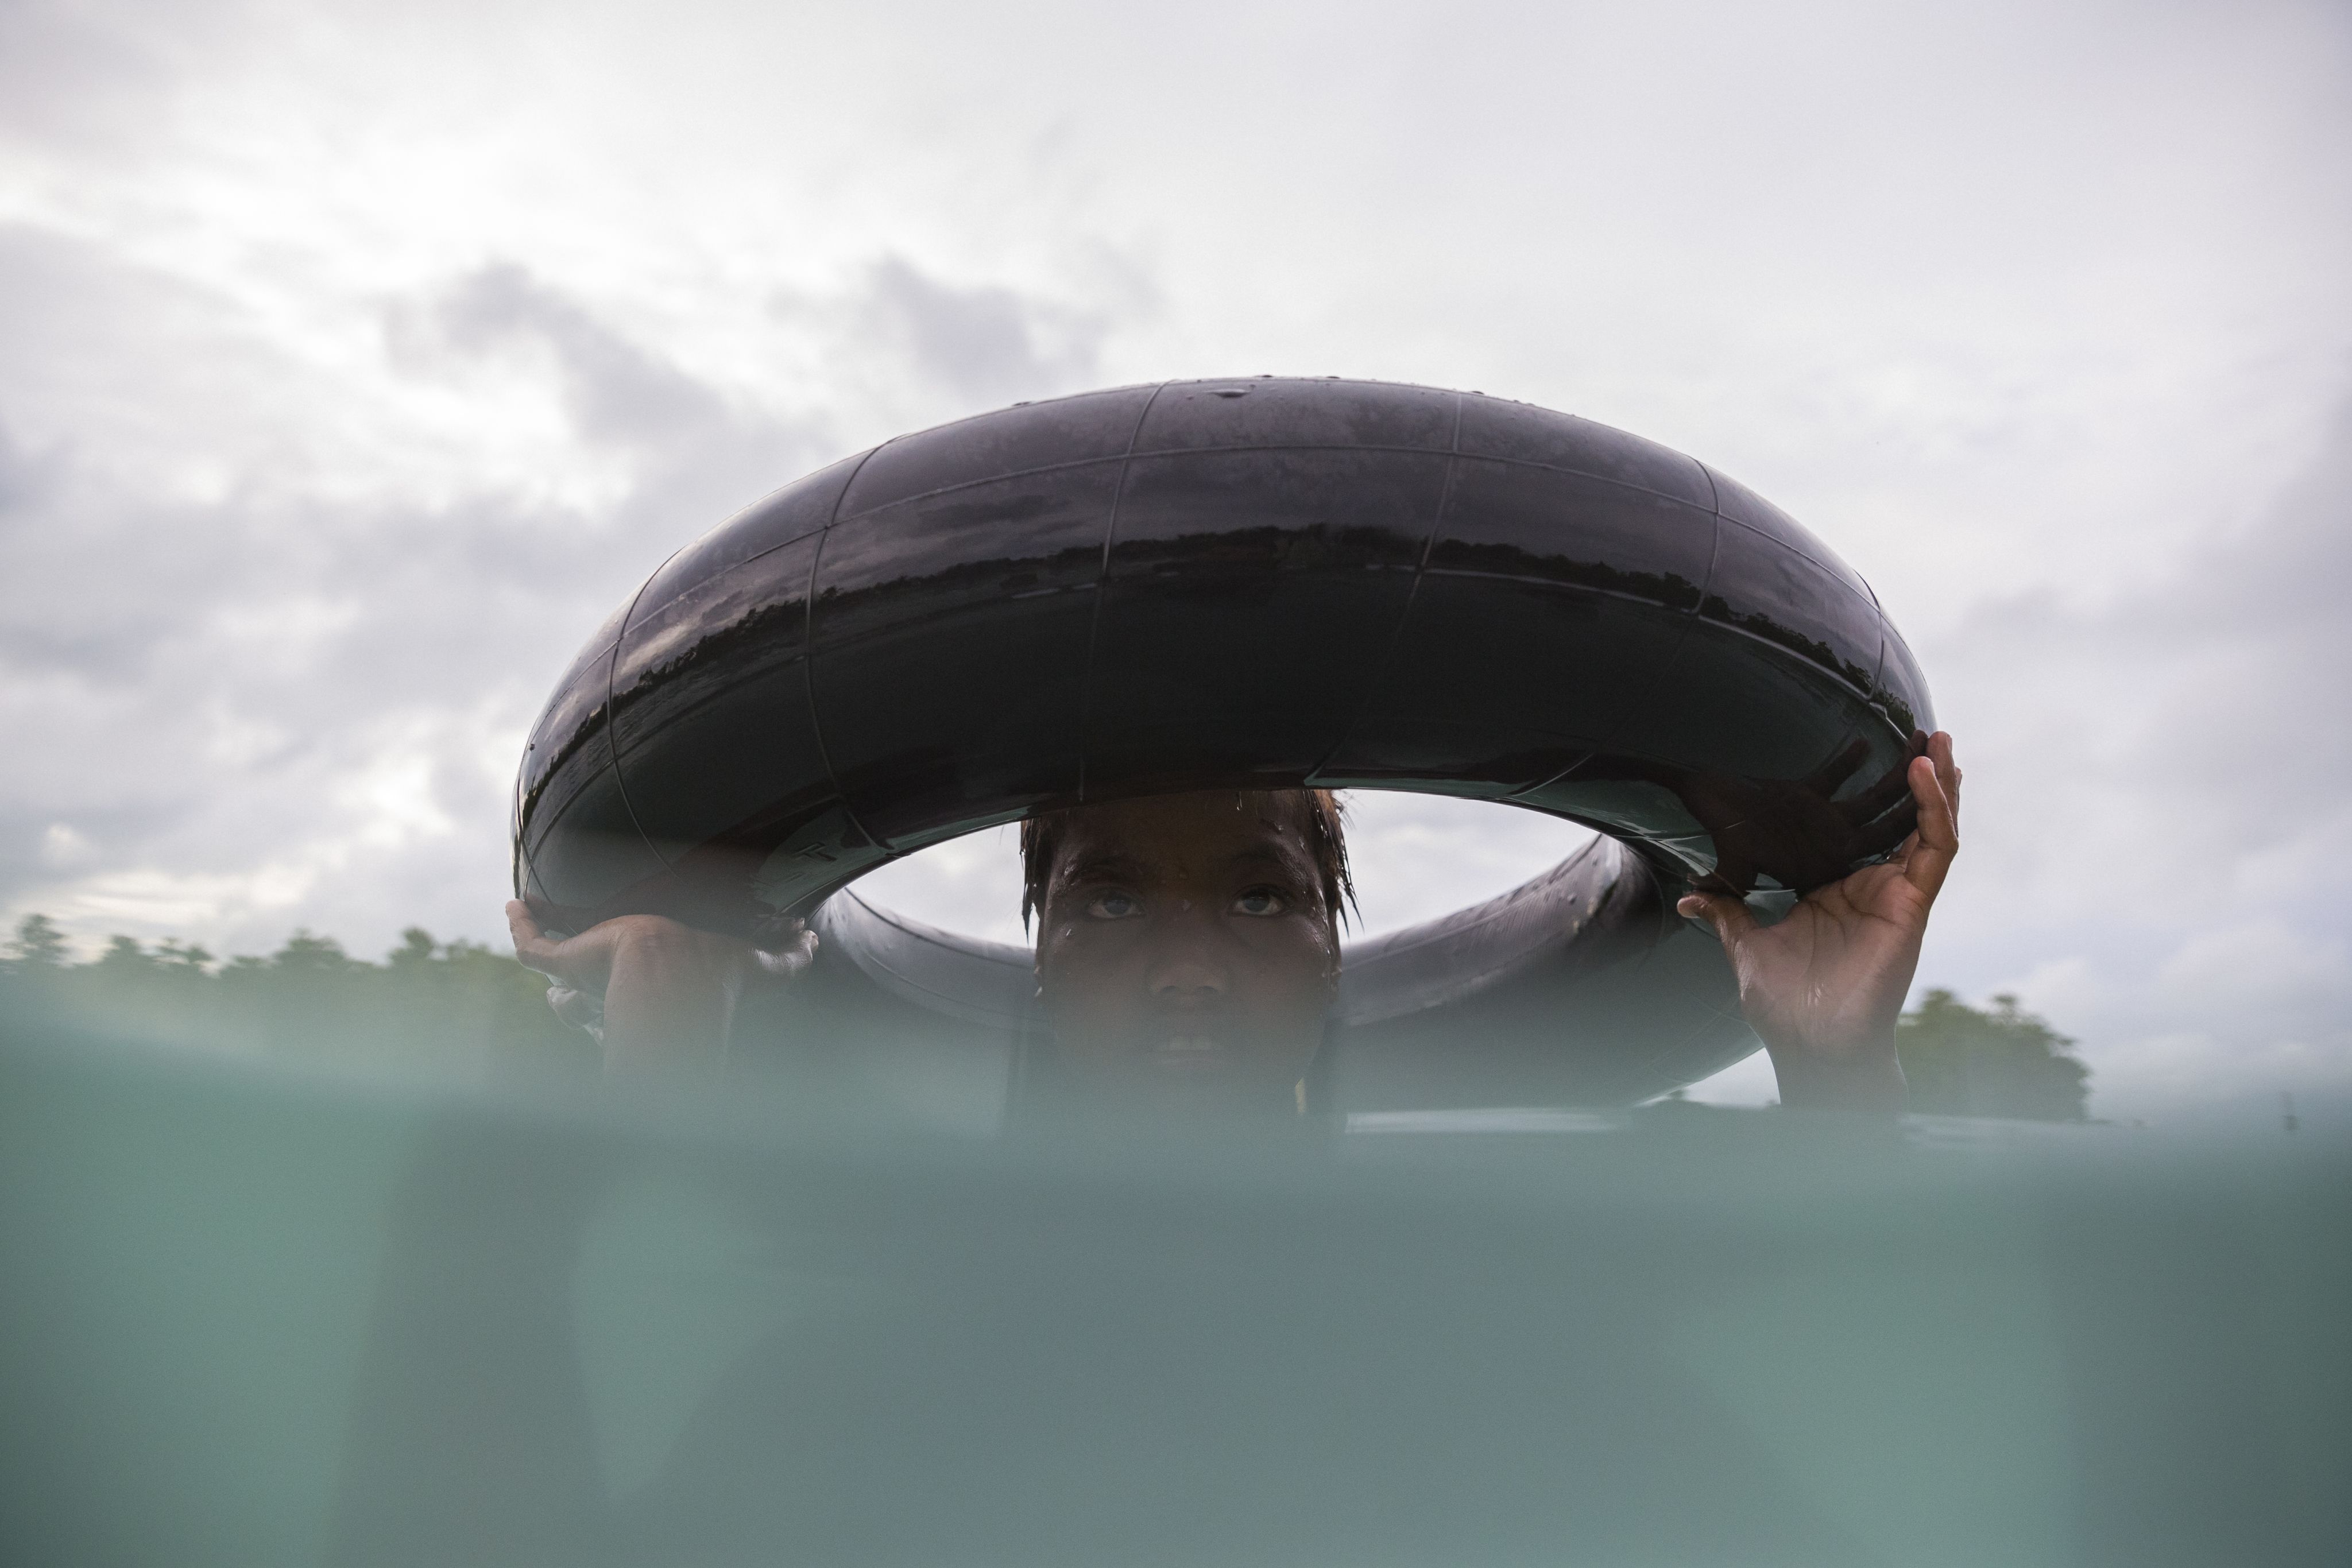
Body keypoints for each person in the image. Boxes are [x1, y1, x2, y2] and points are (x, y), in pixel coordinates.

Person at [505, 733, 1962, 1113]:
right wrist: (659, 1083)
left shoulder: (1472, 1301)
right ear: (1034, 944)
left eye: (1262, 894)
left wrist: (1835, 1070)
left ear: (1340, 943)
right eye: (1112, 895)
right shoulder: (896, 1306)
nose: (1188, 969)